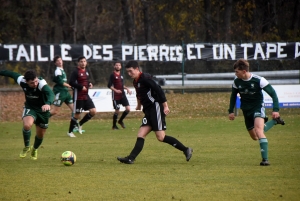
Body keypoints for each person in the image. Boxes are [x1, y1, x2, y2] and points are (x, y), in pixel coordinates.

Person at [117, 60, 193, 164]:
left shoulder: (145, 78)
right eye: (128, 72)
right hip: (148, 110)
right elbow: (139, 94)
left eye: (131, 71)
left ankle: (186, 149)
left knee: (161, 137)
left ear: (137, 69)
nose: (129, 74)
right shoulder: (136, 81)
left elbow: (159, 90)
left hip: (155, 107)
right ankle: (131, 158)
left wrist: (165, 106)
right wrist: (139, 105)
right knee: (141, 134)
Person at [228, 59, 285, 166]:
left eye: (237, 72)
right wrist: (231, 111)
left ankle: (265, 160)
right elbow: (233, 96)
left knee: (259, 130)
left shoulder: (259, 80)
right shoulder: (236, 81)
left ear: (244, 71)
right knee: (255, 136)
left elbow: (273, 94)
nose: (235, 74)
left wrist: (276, 109)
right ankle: (274, 122)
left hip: (258, 108)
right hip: (246, 111)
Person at [0, 69, 54, 160]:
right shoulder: (22, 81)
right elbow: (11, 73)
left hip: (43, 110)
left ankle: (35, 149)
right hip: (30, 108)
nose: (35, 84)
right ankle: (27, 147)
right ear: (26, 81)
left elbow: (51, 94)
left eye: (36, 81)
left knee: (40, 135)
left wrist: (48, 103)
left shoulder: (41, 84)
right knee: (27, 125)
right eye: (32, 83)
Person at [50, 55, 77, 137]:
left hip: (65, 92)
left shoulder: (62, 70)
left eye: (60, 60)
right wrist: (69, 86)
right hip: (60, 92)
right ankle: (42, 118)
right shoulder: (58, 71)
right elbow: (60, 81)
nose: (59, 61)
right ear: (55, 63)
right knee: (55, 111)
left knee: (75, 110)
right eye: (57, 61)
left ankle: (73, 127)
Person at [68, 56, 96, 134]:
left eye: (84, 61)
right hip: (78, 96)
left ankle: (80, 124)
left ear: (86, 62)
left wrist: (89, 83)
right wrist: (81, 87)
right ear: (78, 63)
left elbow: (86, 80)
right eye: (81, 61)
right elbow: (71, 82)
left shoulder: (86, 71)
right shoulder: (76, 71)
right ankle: (70, 132)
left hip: (86, 95)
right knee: (77, 115)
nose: (83, 63)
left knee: (93, 111)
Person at [107, 61, 132, 130]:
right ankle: (114, 126)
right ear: (114, 66)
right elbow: (109, 85)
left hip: (122, 94)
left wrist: (127, 88)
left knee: (128, 109)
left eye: (119, 65)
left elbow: (121, 85)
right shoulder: (112, 75)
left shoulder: (121, 75)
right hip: (115, 95)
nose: (118, 66)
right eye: (116, 65)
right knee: (117, 111)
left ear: (121, 67)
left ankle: (120, 120)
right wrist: (116, 90)